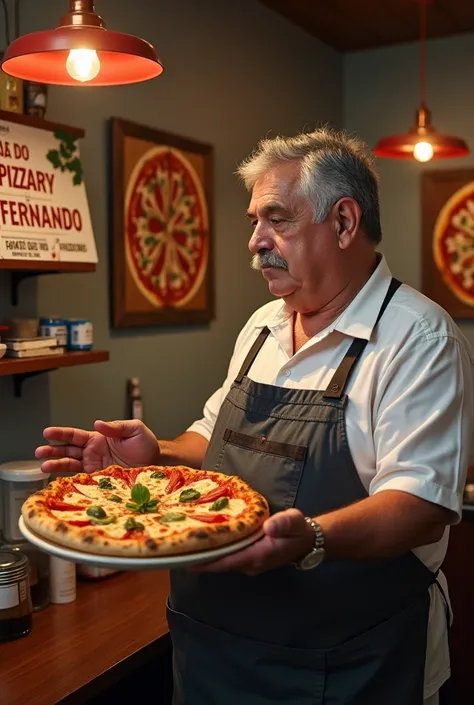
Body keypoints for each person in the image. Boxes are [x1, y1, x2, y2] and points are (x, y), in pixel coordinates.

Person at [36, 127, 474, 705]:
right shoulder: (264, 324)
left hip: (349, 670)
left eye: (277, 219)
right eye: (254, 221)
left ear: (343, 223)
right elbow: (215, 434)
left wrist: (312, 537)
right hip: (214, 656)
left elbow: (423, 504)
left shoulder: (417, 338)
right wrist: (157, 453)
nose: (255, 241)